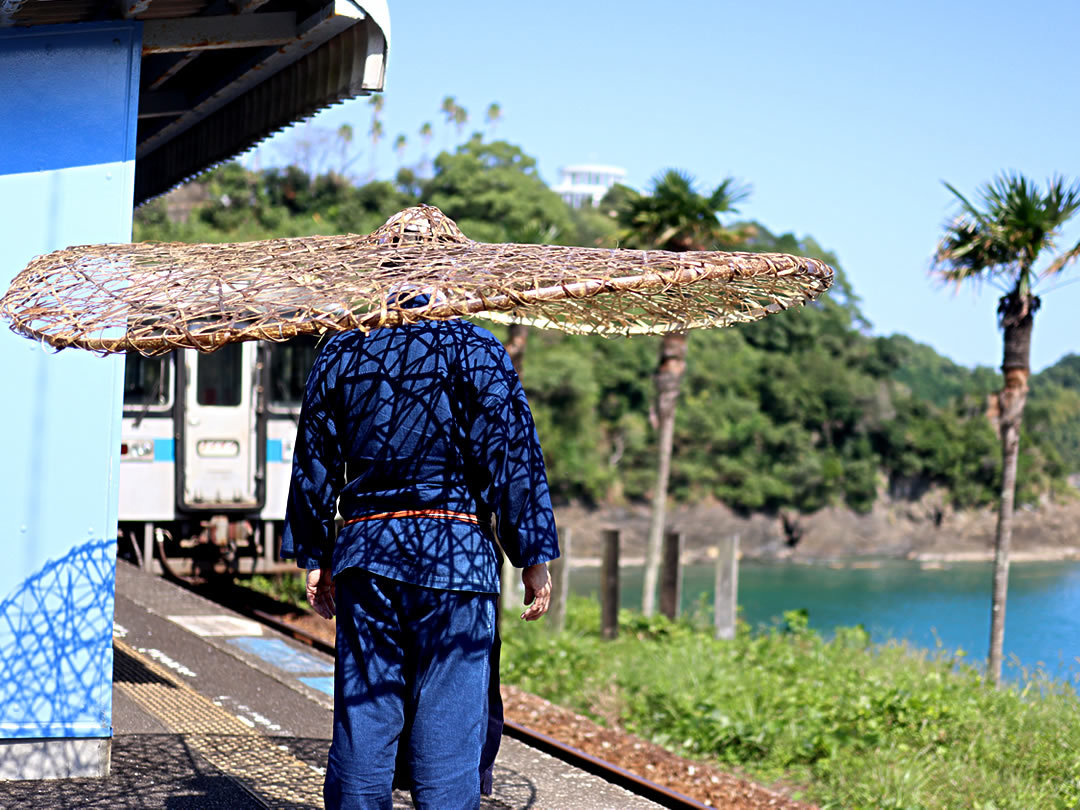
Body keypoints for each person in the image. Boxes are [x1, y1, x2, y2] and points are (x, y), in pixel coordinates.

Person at [281, 310, 560, 810]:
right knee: (449, 731)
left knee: (364, 717)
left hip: (367, 551)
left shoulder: (342, 347)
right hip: (456, 555)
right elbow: (511, 453)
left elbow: (312, 459)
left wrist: (315, 553)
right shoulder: (475, 346)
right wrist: (532, 553)